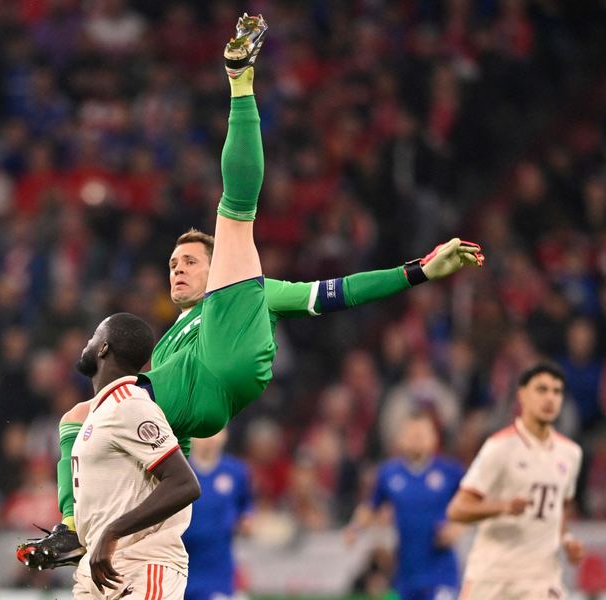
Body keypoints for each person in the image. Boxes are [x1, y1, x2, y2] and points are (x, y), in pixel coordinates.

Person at [49, 12, 486, 542]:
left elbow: (341, 292)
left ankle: (241, 81)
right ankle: (70, 525)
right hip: (206, 403)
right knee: (76, 418)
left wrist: (417, 272)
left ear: (220, 267)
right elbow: (169, 438)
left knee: (234, 211)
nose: (177, 267)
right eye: (172, 263)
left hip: (232, 354)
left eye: (189, 260)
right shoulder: (164, 348)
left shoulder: (251, 292)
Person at [67, 312, 201, 597]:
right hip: (99, 571)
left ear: (104, 348)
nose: (87, 342)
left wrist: (112, 532)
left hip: (141, 566)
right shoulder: (101, 411)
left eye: (93, 336)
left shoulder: (128, 404)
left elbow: (184, 483)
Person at [447, 362, 586, 600]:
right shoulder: (500, 447)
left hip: (541, 578)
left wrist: (566, 539)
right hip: (494, 576)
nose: (550, 398)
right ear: (522, 395)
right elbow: (457, 510)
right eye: (541, 390)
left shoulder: (570, 453)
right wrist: (501, 507)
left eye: (557, 391)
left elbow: (558, 506)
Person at [345, 412, 466, 600]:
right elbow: (371, 506)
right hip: (406, 572)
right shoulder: (388, 473)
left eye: (421, 434)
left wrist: (458, 528)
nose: (416, 439)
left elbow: (472, 503)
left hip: (441, 571)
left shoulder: (450, 471)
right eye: (411, 434)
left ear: (434, 437)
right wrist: (354, 527)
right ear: (400, 438)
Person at [182, 431, 254, 600]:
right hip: (181, 560)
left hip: (218, 566)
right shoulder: (178, 471)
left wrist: (247, 520)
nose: (210, 438)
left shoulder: (236, 472)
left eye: (217, 431)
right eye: (205, 431)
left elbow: (246, 504)